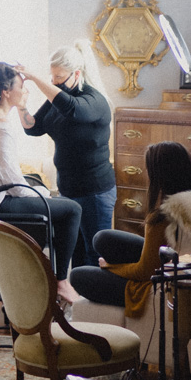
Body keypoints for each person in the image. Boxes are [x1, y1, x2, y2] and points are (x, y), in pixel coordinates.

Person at [0, 61, 84, 307]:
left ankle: (52, 282)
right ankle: (61, 282)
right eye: (21, 87)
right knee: (73, 209)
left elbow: (9, 176)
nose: (26, 92)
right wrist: (44, 194)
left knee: (62, 205)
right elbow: (15, 185)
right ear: (6, 93)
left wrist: (43, 195)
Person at [15, 41, 115, 268]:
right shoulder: (57, 99)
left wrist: (35, 78)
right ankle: (79, 303)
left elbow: (73, 109)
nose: (54, 82)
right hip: (68, 191)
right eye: (51, 77)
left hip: (94, 193)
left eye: (59, 77)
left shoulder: (94, 100)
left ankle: (94, 303)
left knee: (95, 254)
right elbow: (33, 128)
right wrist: (22, 106)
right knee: (76, 255)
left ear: (76, 74)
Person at [69, 142, 191, 315]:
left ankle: (112, 271)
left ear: (160, 176)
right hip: (172, 259)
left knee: (78, 276)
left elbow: (145, 271)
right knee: (102, 239)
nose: (146, 174)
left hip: (155, 280)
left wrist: (110, 267)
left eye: (148, 170)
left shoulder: (161, 218)